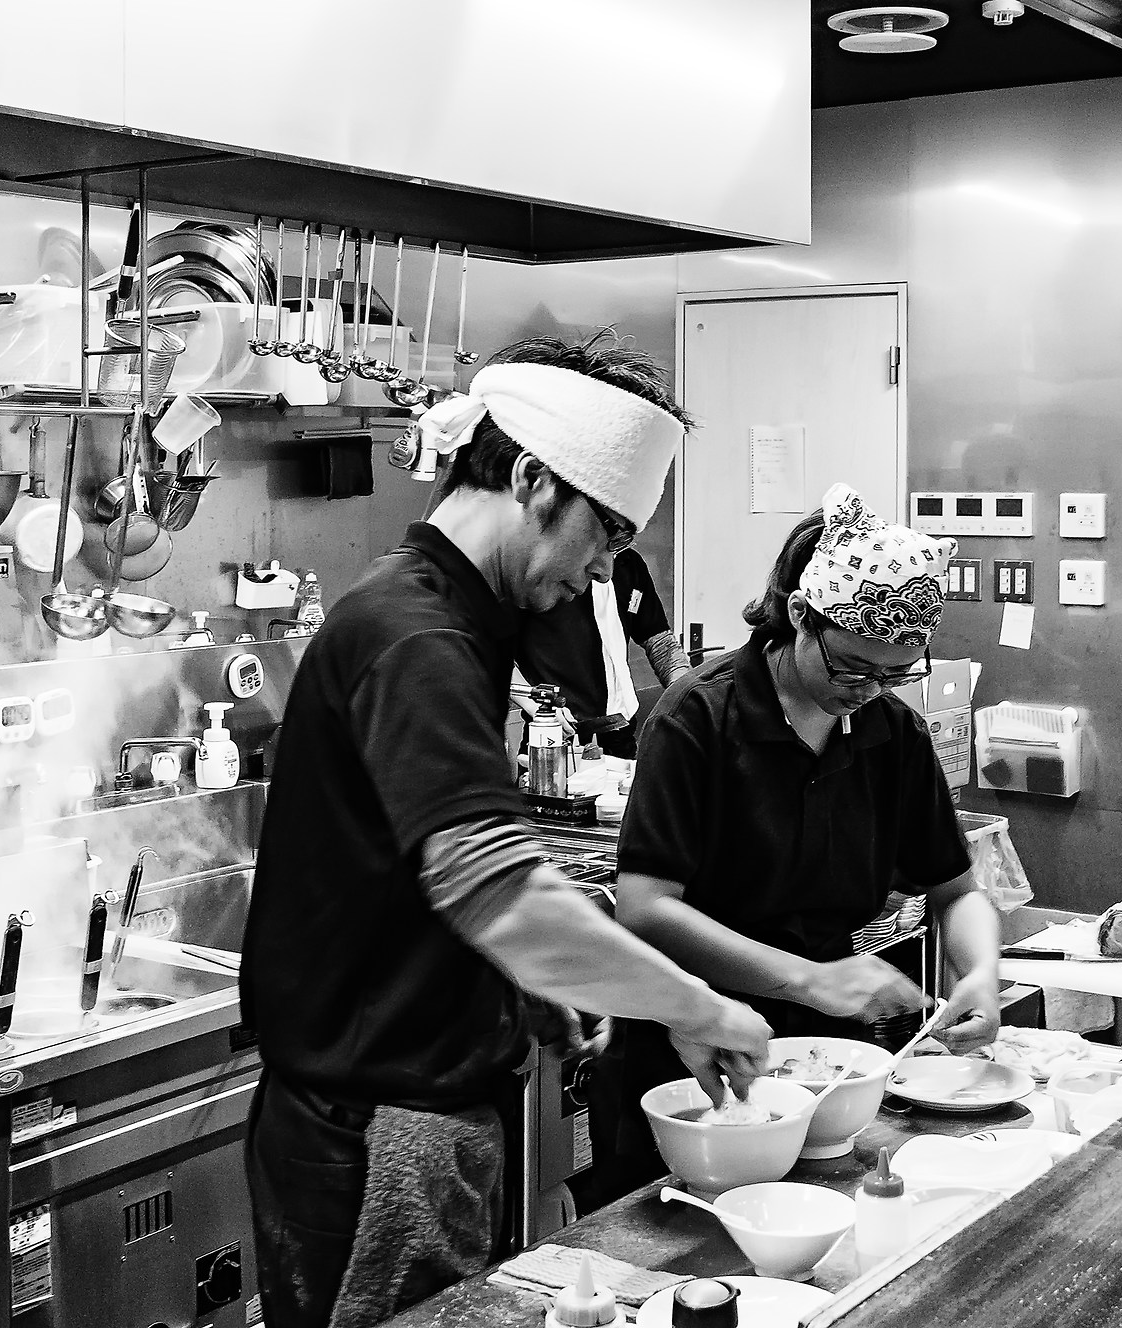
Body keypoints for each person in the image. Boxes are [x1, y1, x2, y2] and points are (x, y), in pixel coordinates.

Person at [241, 334, 773, 1328]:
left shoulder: (460, 620)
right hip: (376, 1134)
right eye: (604, 536)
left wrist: (512, 985)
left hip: (411, 1115)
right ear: (533, 476)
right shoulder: (419, 636)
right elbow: (495, 887)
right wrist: (702, 1006)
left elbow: (424, 878)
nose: (605, 571)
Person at [608, 483, 1004, 1185]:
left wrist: (979, 974)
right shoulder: (699, 717)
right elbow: (646, 907)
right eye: (851, 666)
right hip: (692, 1044)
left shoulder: (892, 733)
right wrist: (809, 979)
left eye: (894, 674)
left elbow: (956, 887)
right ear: (799, 615)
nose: (868, 689)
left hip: (829, 1058)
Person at [515, 547, 688, 758]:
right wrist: (539, 709)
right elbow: (494, 657)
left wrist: (687, 694)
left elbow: (659, 640)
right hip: (554, 733)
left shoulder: (629, 562)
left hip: (621, 733)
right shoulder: (540, 568)